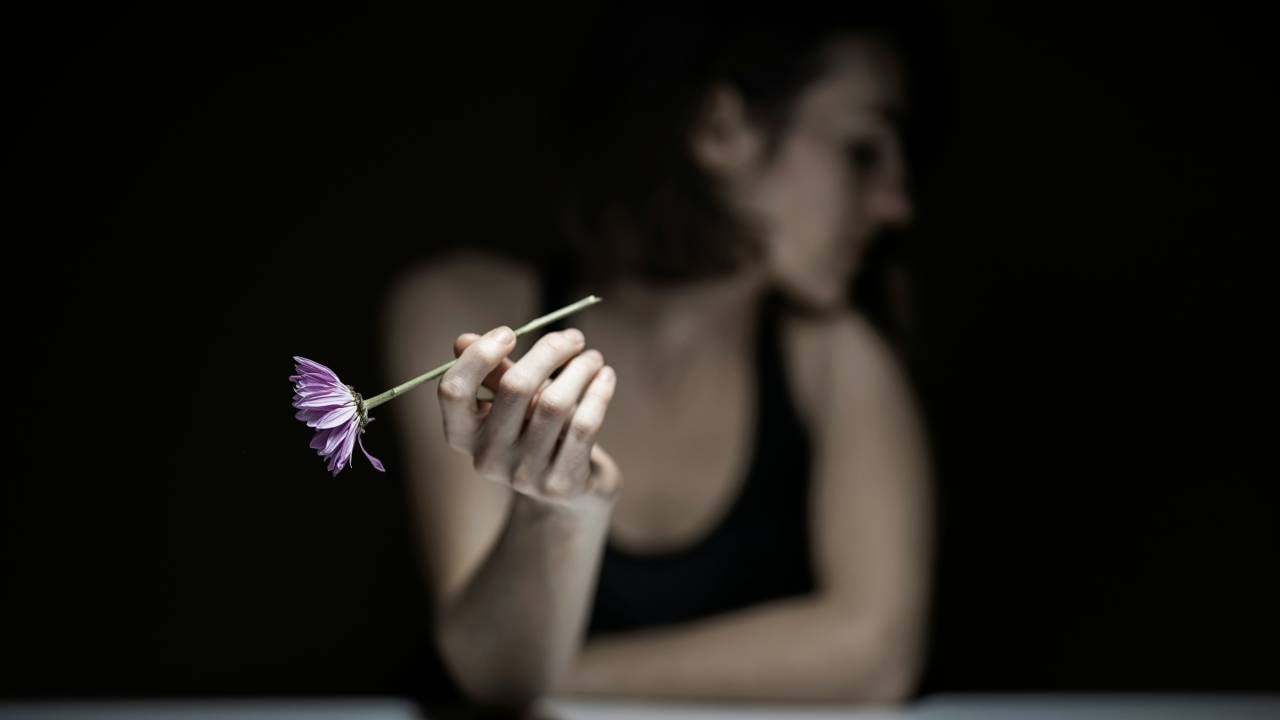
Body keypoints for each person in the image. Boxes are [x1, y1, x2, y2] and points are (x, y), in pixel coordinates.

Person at [381, 10, 932, 708]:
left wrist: (552, 677)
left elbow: (873, 655)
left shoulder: (838, 355)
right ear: (722, 128)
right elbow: (489, 668)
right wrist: (562, 512)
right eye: (862, 150)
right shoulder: (464, 309)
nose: (897, 205)